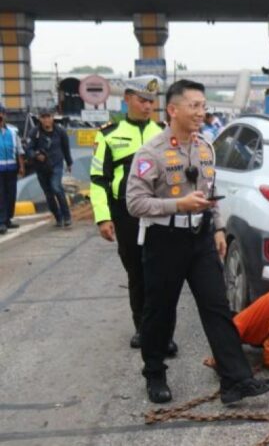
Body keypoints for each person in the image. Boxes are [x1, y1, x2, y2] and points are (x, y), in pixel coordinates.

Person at [126, 79, 269, 404]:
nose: (200, 112)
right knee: (160, 311)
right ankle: (154, 373)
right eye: (194, 106)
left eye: (203, 106)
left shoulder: (206, 147)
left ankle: (235, 380)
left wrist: (218, 228)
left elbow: (211, 195)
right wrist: (178, 205)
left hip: (202, 236)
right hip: (164, 239)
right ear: (173, 109)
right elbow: (135, 204)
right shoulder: (150, 153)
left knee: (217, 307)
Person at [89, 75, 174, 352]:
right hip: (126, 215)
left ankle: (163, 333)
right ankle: (143, 329)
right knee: (137, 274)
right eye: (142, 100)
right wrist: (103, 217)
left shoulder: (163, 132)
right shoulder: (109, 134)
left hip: (159, 213)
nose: (148, 106)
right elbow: (99, 180)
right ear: (127, 99)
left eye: (151, 101)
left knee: (161, 275)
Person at [26, 108, 73, 227]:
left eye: (48, 116)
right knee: (48, 194)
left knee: (56, 187)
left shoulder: (60, 131)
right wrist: (36, 155)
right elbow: (28, 149)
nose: (46, 119)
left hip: (56, 165)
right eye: (43, 117)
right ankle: (58, 217)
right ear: (40, 119)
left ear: (53, 117)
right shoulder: (34, 132)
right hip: (41, 168)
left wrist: (69, 162)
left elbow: (66, 148)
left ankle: (67, 216)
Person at [0, 103, 25, 234]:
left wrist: (21, 166)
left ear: (4, 115)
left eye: (1, 113)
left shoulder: (13, 131)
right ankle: (2, 222)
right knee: (1, 196)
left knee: (11, 195)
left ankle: (8, 219)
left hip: (11, 169)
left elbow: (19, 151)